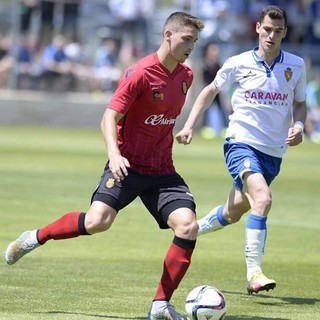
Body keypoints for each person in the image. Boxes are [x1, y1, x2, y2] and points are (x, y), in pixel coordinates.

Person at [5, 11, 204, 320]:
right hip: (125, 165)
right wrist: (114, 153)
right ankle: (35, 236)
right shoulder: (139, 73)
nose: (191, 46)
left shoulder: (186, 77)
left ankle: (160, 304)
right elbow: (109, 117)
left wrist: (186, 129)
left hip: (162, 170)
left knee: (189, 226)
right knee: (99, 222)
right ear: (168, 35)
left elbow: (164, 118)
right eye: (186, 39)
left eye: (195, 41)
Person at [176, 5, 307, 295]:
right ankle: (254, 273)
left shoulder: (296, 65)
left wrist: (298, 124)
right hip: (241, 143)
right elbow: (210, 90)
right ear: (257, 28)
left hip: (273, 153)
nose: (271, 35)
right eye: (267, 29)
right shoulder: (239, 62)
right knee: (262, 198)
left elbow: (300, 102)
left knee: (233, 212)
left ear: (284, 32)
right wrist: (189, 125)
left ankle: (192, 229)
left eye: (277, 31)